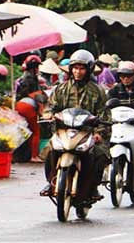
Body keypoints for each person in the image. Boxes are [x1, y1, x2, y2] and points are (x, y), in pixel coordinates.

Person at [44, 49, 109, 204]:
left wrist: (99, 132)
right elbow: (51, 107)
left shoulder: (98, 91)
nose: (78, 72)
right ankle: (51, 181)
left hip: (88, 133)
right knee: (49, 150)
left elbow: (104, 114)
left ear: (89, 70)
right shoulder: (61, 89)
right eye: (75, 68)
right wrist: (48, 114)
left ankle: (93, 187)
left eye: (82, 68)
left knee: (100, 155)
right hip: (64, 130)